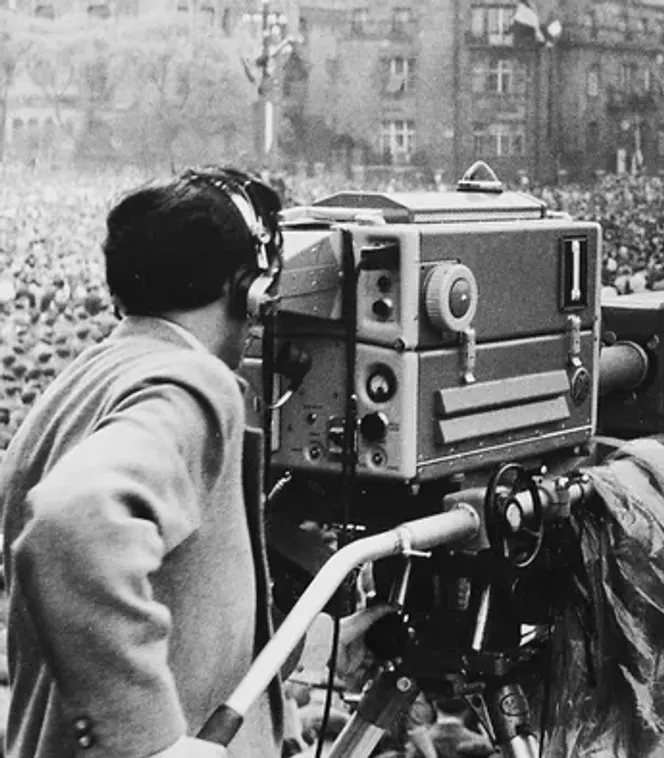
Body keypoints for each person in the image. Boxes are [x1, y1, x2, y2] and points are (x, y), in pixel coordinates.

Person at [0, 167, 391, 758]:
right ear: (246, 289)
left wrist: (315, 646)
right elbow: (72, 525)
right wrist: (151, 739)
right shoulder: (191, 382)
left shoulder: (86, 379)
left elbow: (177, 600)